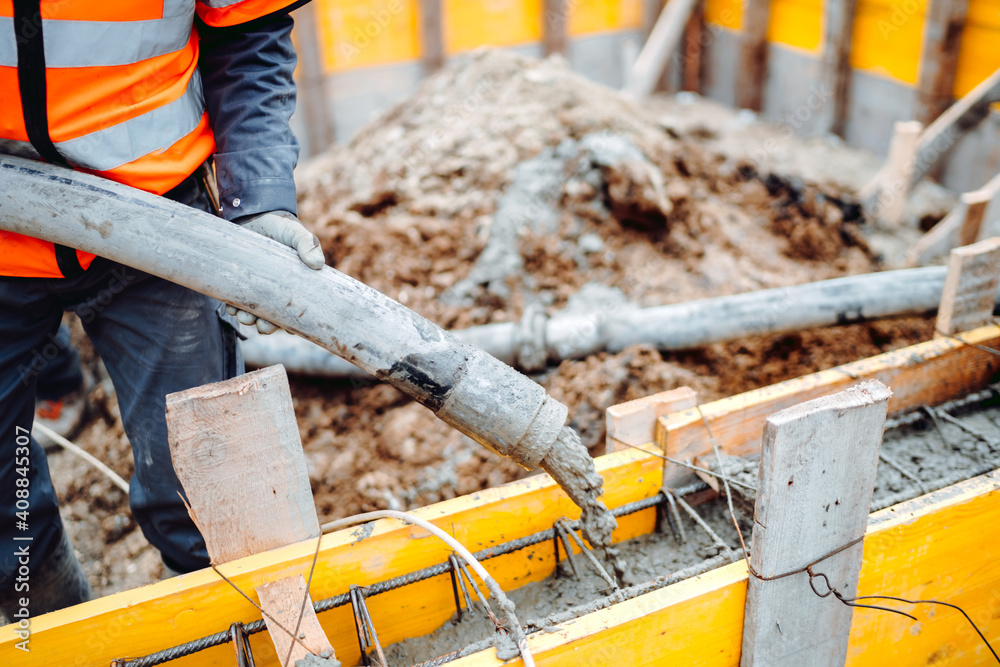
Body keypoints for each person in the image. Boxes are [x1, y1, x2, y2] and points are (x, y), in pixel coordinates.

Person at [0, 0, 326, 618]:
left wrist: (255, 199)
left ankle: (239, 633)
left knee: (206, 484)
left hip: (157, 226)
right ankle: (42, 634)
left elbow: (248, 30)